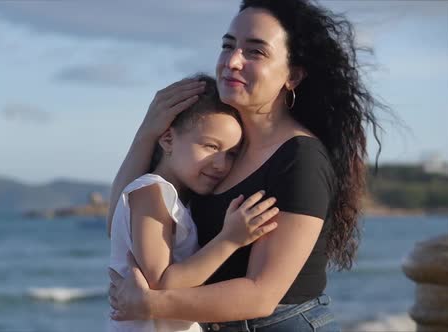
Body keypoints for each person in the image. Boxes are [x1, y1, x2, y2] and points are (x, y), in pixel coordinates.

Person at [107, 0, 386, 331]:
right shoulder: (220, 147)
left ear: (292, 76)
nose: (232, 61)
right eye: (228, 46)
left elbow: (261, 294)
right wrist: (147, 133)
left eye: (255, 52)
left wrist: (149, 303)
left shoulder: (300, 159)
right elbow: (121, 222)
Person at [108, 74, 279, 332]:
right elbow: (162, 285)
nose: (221, 164)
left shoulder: (177, 199)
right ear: (167, 139)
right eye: (210, 146)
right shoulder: (151, 192)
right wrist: (230, 240)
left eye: (231, 154)